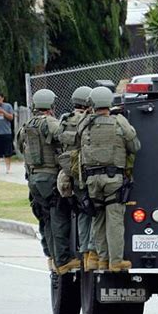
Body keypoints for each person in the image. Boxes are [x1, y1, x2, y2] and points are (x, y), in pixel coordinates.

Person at [17, 89, 80, 274]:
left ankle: (51, 256)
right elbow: (64, 139)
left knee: (45, 219)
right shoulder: (50, 123)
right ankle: (63, 261)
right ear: (50, 106)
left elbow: (19, 146)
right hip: (50, 178)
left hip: (33, 179)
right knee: (58, 217)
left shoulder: (26, 125)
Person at [78, 86, 141, 272]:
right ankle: (115, 261)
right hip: (113, 179)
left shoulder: (85, 123)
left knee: (98, 219)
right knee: (114, 221)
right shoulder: (119, 122)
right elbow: (135, 146)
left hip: (91, 180)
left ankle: (100, 260)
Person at [56, 86, 98, 271]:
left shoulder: (64, 121)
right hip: (88, 171)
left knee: (81, 211)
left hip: (70, 172)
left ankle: (83, 251)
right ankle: (92, 252)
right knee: (94, 211)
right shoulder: (88, 121)